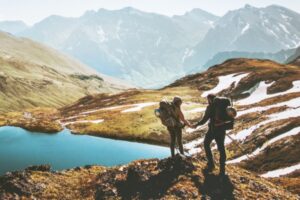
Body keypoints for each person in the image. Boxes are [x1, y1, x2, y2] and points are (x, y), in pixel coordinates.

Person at [193, 94, 228, 176]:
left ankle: (211, 163)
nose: (207, 101)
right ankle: (222, 170)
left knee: (206, 144)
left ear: (210, 100)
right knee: (221, 148)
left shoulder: (210, 107)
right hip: (222, 130)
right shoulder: (223, 106)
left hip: (212, 130)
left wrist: (197, 124)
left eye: (208, 100)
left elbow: (205, 119)